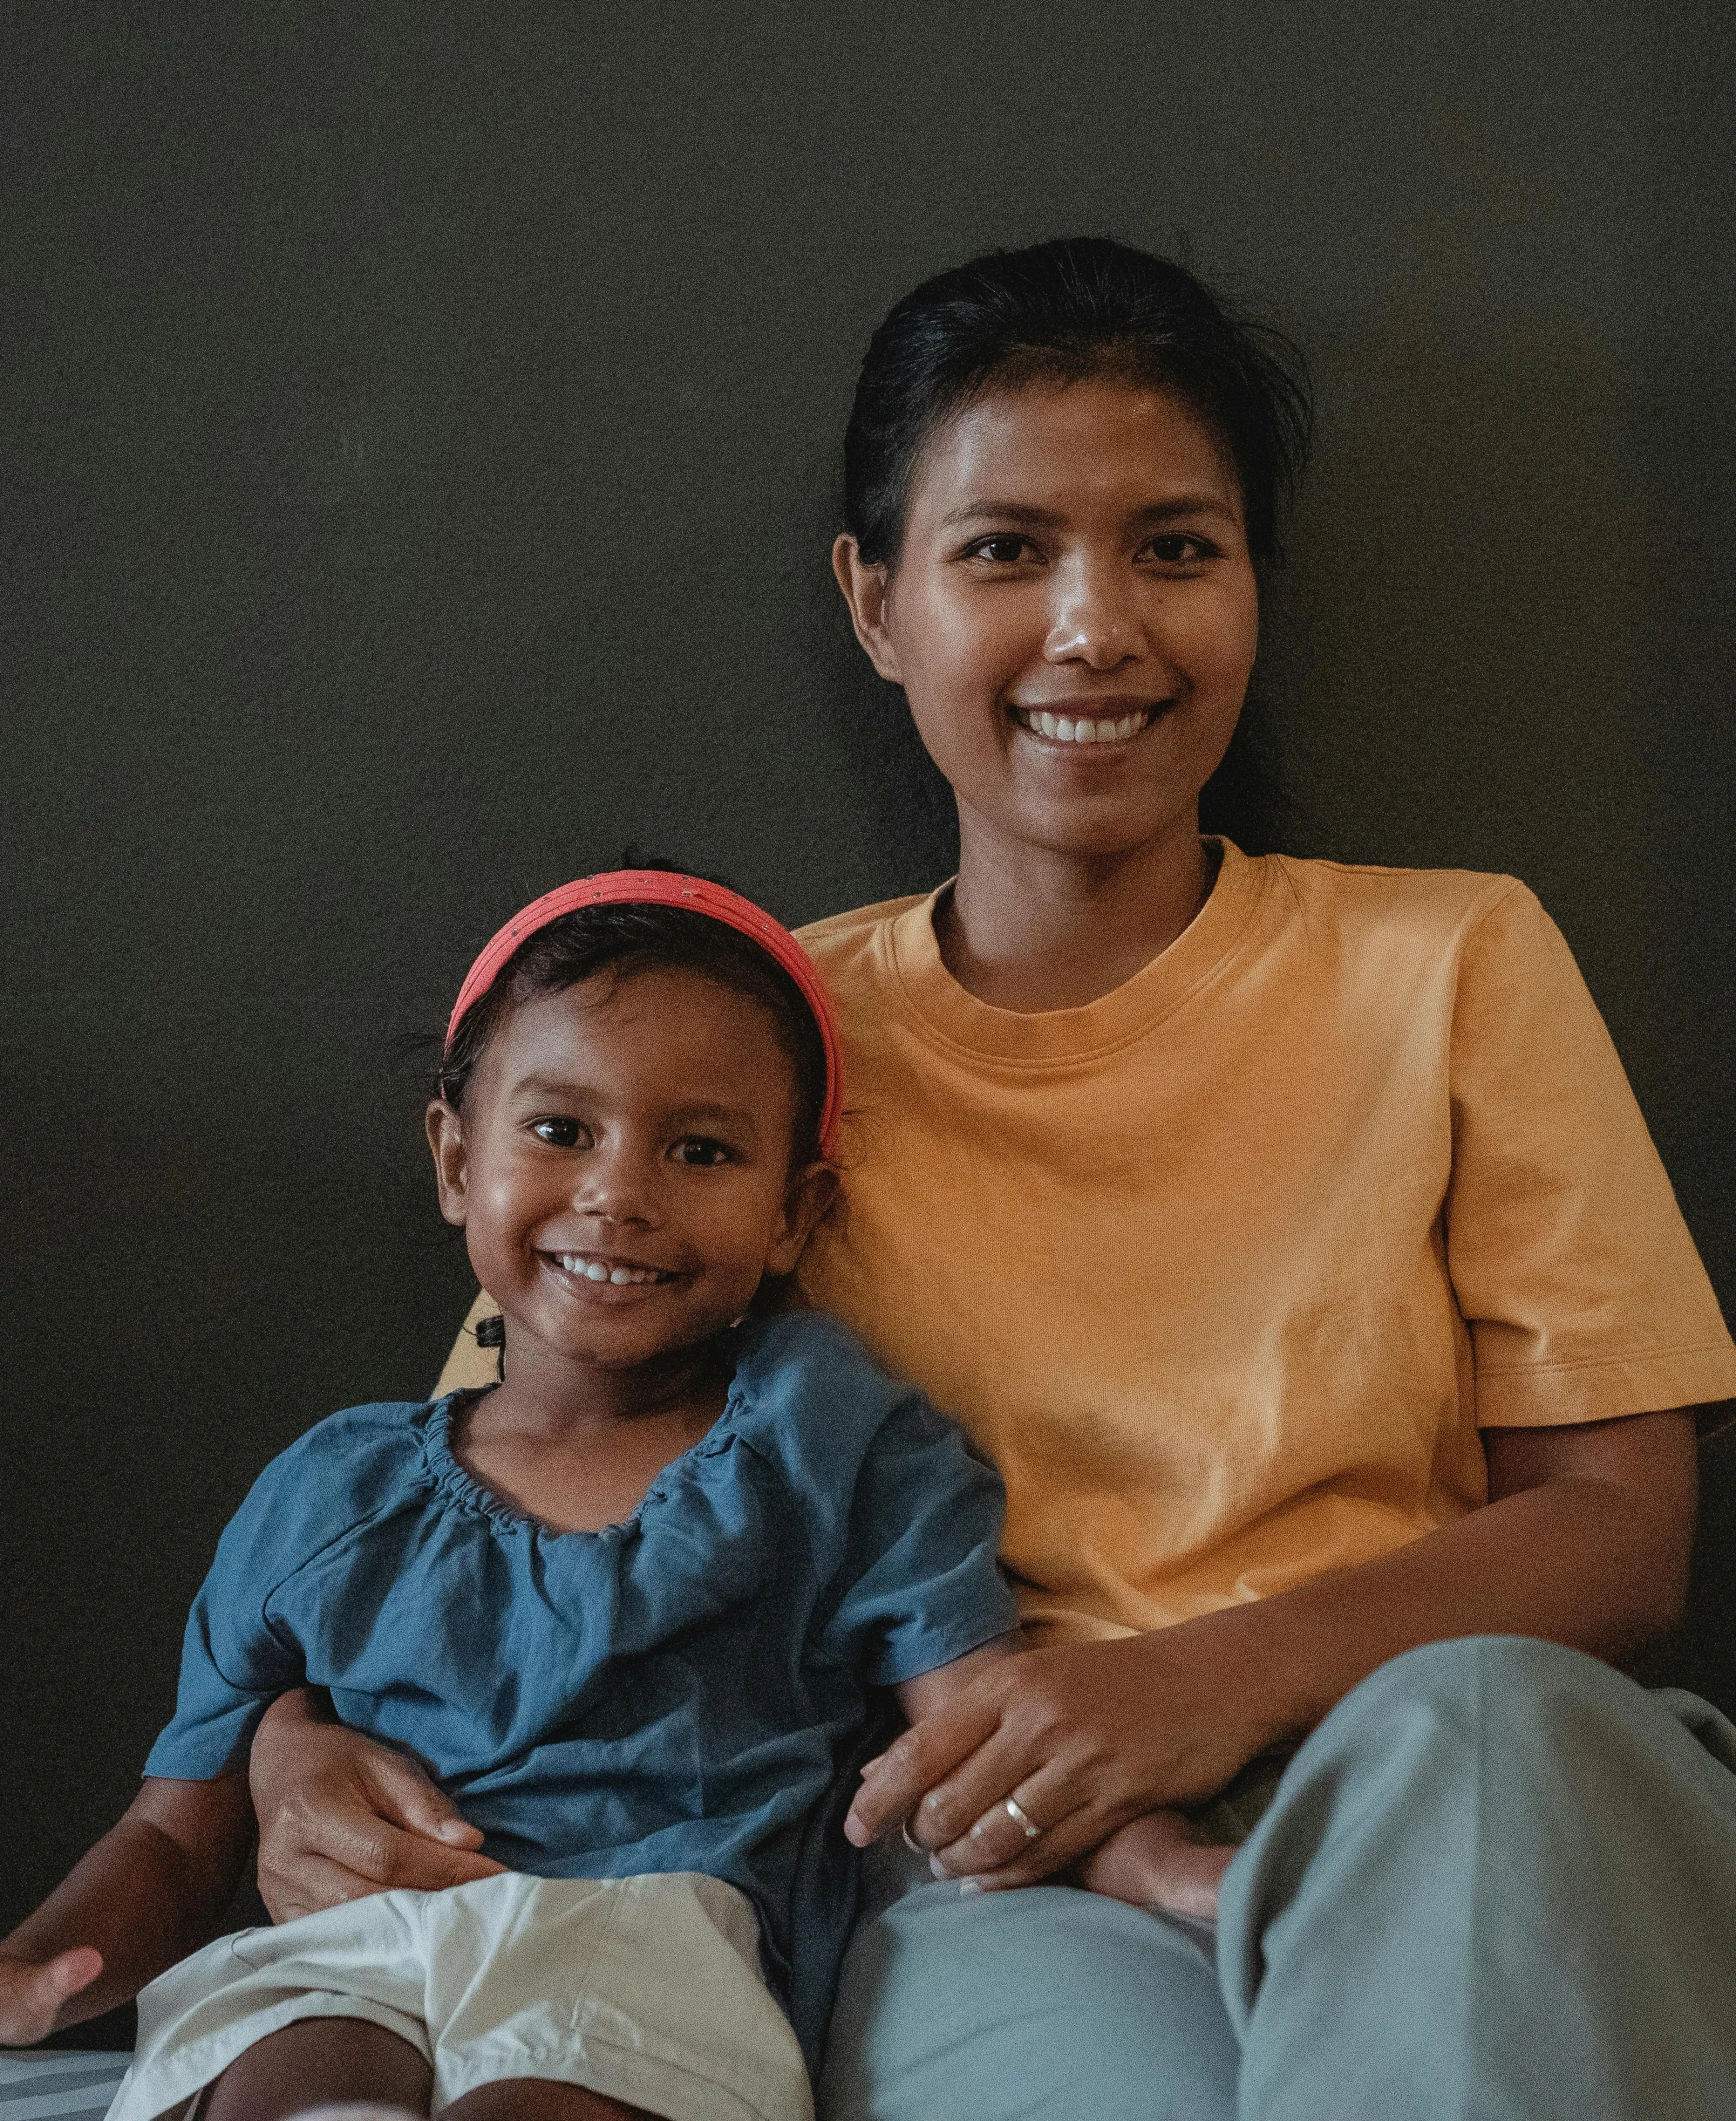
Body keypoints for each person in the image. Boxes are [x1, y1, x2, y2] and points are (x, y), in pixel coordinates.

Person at [249, 240, 1736, 2120]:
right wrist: (288, 1752)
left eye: (1175, 547)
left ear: (1253, 588)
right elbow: (481, 1498)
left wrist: (1203, 1681)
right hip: (995, 1855)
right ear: (877, 603)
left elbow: (1620, 1526)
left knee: (1492, 1736)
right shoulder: (746, 1050)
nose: (1094, 626)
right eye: (1004, 550)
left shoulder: (1450, 963)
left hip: (1450, 1776)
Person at [0, 872, 1049, 2121]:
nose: (619, 1191)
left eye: (700, 1150)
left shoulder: (826, 1439)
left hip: (651, 1952)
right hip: (364, 1944)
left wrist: (1134, 1853)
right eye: (560, 1131)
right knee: (300, 2065)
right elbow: (178, 1839)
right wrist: (36, 1968)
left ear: (792, 1213)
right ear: (454, 1157)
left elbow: (981, 1730)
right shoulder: (333, 1489)